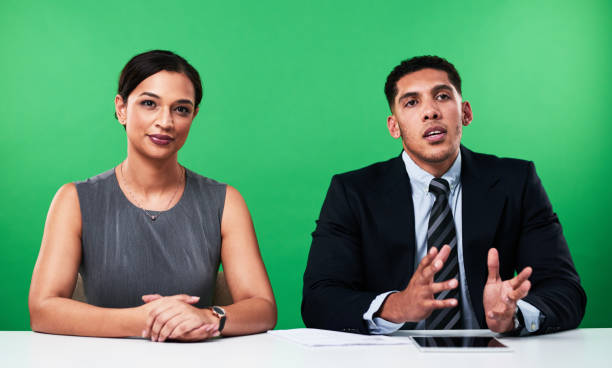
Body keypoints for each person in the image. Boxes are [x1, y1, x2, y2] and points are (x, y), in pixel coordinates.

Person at [302, 56, 586, 335]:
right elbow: (318, 299)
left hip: (492, 356)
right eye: (412, 102)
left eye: (441, 96)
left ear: (465, 112)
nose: (430, 112)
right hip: (392, 358)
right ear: (394, 126)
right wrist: (397, 306)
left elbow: (565, 288)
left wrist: (514, 315)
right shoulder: (352, 192)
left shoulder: (516, 182)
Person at [29, 50, 277, 342]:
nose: (165, 121)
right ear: (121, 108)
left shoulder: (225, 200)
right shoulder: (74, 199)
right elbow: (43, 310)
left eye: (181, 109)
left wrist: (208, 317)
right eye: (149, 103)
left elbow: (263, 308)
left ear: (193, 116)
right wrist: (144, 321)